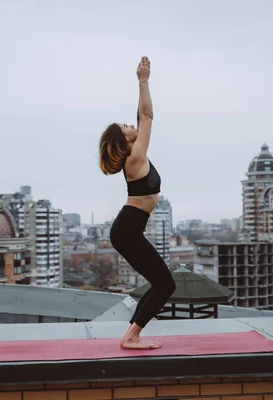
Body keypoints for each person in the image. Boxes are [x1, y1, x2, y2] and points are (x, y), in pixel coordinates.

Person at [98, 56, 176, 350]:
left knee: (161, 283)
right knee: (166, 284)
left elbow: (142, 115)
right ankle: (131, 337)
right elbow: (147, 116)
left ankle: (132, 333)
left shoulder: (135, 155)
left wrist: (142, 84)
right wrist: (143, 81)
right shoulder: (135, 158)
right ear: (124, 139)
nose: (132, 124)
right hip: (128, 230)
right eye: (125, 125)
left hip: (128, 229)